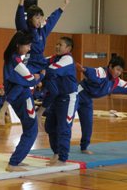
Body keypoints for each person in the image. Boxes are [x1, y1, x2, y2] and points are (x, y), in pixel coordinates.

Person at [76, 55, 127, 154]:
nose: (118, 73)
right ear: (110, 66)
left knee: (88, 124)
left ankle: (84, 147)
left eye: (120, 71)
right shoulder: (102, 72)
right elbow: (92, 72)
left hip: (87, 100)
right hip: (77, 94)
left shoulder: (116, 82)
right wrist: (84, 69)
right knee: (66, 120)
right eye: (117, 69)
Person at [2, 31, 45, 172]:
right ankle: (13, 163)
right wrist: (40, 76)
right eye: (27, 45)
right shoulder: (15, 60)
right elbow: (30, 80)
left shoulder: (11, 59)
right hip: (22, 98)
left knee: (29, 128)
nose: (29, 49)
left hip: (18, 97)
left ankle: (17, 160)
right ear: (18, 44)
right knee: (32, 130)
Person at [15, 0, 70, 72]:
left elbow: (53, 19)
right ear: (30, 18)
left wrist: (64, 5)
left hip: (41, 63)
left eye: (41, 18)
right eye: (37, 18)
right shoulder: (24, 29)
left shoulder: (42, 30)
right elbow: (19, 18)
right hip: (28, 63)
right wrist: (21, 0)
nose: (40, 20)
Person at [43, 37, 78, 166]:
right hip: (56, 97)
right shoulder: (53, 58)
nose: (57, 46)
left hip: (68, 98)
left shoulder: (67, 59)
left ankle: (63, 158)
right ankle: (56, 153)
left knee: (63, 128)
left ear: (68, 48)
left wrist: (41, 72)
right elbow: (40, 62)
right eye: (56, 44)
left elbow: (52, 70)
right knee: (50, 126)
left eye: (60, 44)